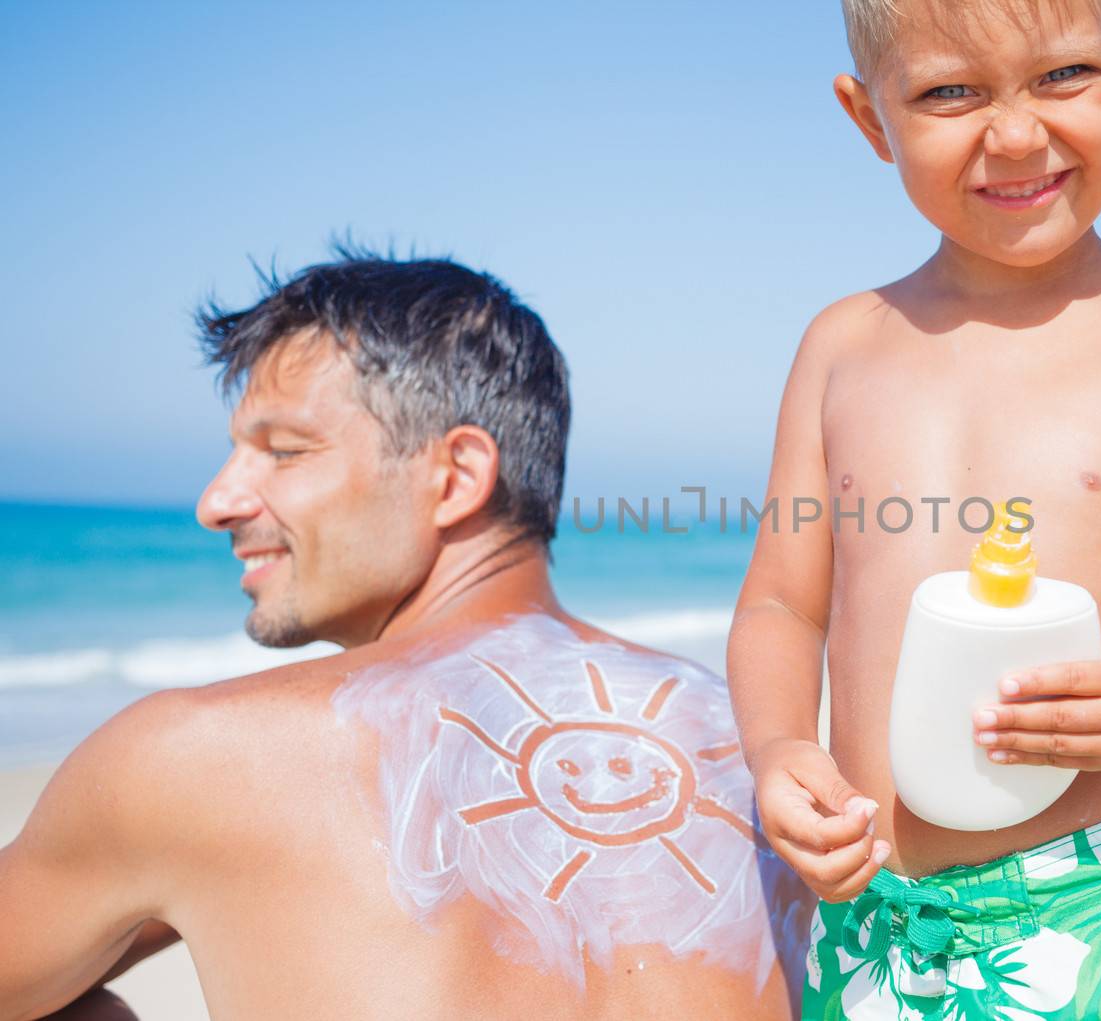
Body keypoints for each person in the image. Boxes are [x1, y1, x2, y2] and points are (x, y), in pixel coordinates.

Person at [727, 1, 1101, 1017]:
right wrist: (781, 748)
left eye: (1063, 77)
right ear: (869, 118)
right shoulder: (840, 347)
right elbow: (781, 608)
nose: (1015, 135)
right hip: (873, 927)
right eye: (948, 93)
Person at [0, 252, 808, 1021]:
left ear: (455, 476)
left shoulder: (195, 758)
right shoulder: (759, 743)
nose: (217, 499)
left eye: (284, 450)